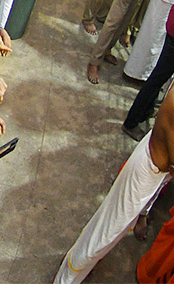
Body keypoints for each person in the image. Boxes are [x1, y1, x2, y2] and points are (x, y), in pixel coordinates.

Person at [55, 86, 174, 284]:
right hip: (146, 173)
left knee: (111, 232)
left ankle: (78, 267)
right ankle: (65, 279)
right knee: (104, 234)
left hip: (152, 171)